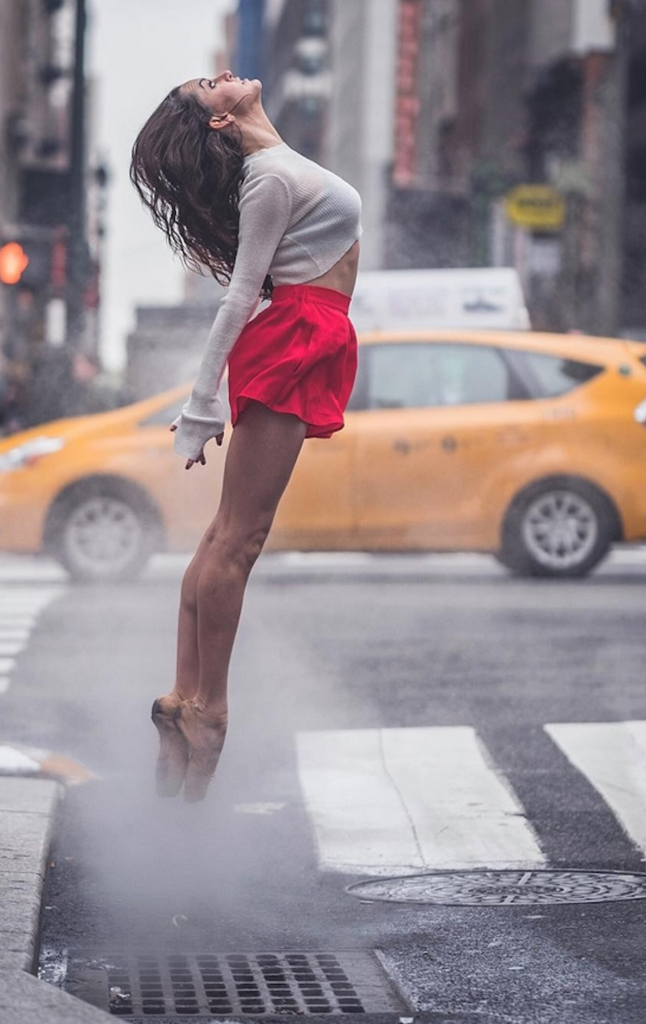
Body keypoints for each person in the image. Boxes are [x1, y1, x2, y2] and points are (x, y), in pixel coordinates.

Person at [131, 70, 362, 802]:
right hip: (295, 335)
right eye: (211, 85)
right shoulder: (267, 177)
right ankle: (210, 709)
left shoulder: (276, 165)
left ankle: (184, 696)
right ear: (221, 122)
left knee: (225, 536)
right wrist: (200, 401)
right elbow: (239, 296)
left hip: (306, 330)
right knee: (239, 538)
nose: (226, 74)